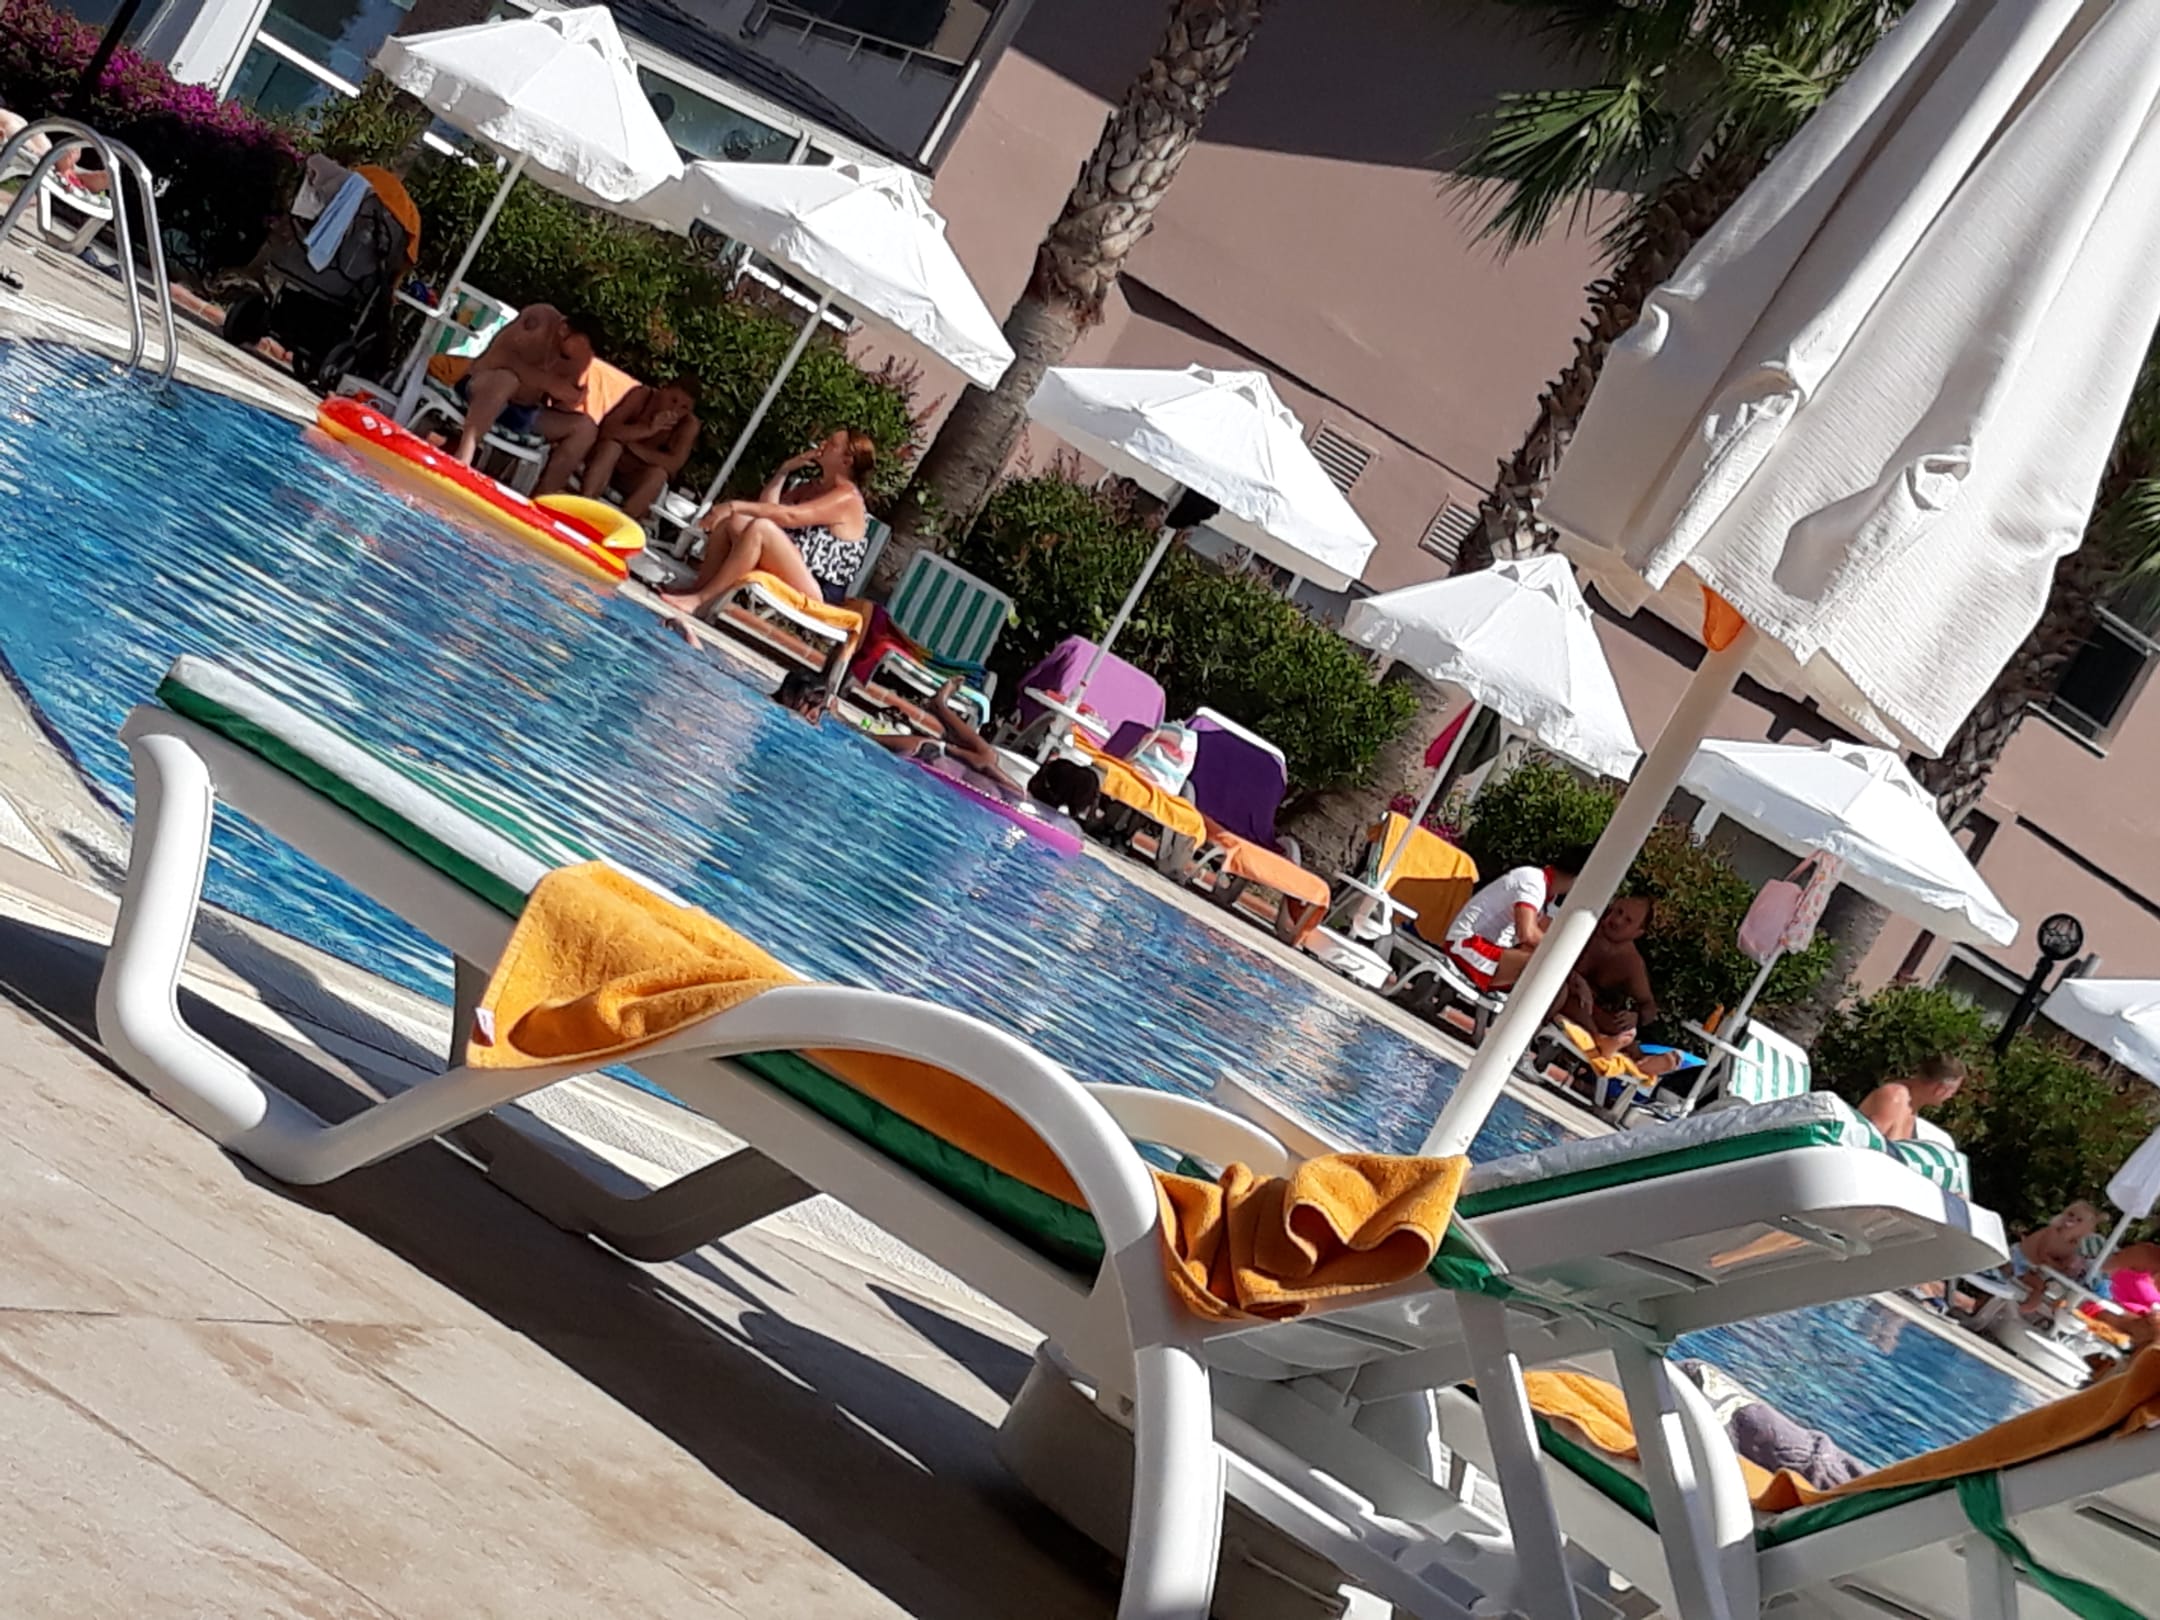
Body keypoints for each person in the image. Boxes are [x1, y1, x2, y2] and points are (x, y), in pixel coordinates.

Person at [659, 430, 875, 618]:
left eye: (832, 444)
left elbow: (790, 517)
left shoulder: (847, 497)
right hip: (797, 570)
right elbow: (770, 509)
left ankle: (702, 601)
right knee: (733, 522)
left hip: (819, 591)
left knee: (760, 528)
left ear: (847, 461)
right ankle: (698, 590)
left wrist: (734, 505)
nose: (823, 444)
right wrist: (784, 470)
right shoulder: (814, 487)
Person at [453, 303, 594, 472]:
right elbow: (498, 357)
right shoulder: (540, 320)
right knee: (506, 381)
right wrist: (548, 382)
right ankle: (463, 458)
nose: (579, 355)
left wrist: (569, 399)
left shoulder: (578, 359)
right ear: (564, 329)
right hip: (482, 390)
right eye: (579, 346)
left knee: (586, 428)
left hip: (524, 411)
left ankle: (542, 489)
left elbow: (556, 401)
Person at [1441, 845, 1590, 992]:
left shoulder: (1547, 893)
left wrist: (1572, 974)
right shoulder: (1532, 882)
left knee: (1559, 987)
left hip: (1491, 950)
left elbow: (1543, 936)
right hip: (1467, 945)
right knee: (1542, 967)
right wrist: (1564, 956)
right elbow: (1527, 933)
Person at [578, 377, 701, 519]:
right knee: (612, 448)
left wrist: (633, 446)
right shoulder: (642, 396)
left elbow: (673, 464)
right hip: (606, 460)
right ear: (663, 391)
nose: (674, 410)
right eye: (673, 400)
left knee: (658, 475)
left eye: (683, 408)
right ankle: (585, 503)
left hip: (635, 474)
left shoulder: (688, 425)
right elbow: (607, 429)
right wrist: (648, 429)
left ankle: (624, 521)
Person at [2001, 1201, 2101, 1314]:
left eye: (2079, 1220)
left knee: (2045, 1288)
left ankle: (2027, 1309)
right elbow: (2043, 1255)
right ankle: (2024, 1308)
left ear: (2085, 1229)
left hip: (2032, 1268)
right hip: (2019, 1258)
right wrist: (2059, 1267)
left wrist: (2069, 1266)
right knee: (2037, 1287)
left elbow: (2065, 1261)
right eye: (2071, 1214)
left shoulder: (2073, 1245)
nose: (2072, 1220)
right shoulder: (2052, 1232)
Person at [1858, 1054, 1966, 1142]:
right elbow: (1870, 1144)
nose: (1951, 1096)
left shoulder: (1910, 1107)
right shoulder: (1895, 1097)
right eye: (1953, 1091)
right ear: (1940, 1090)